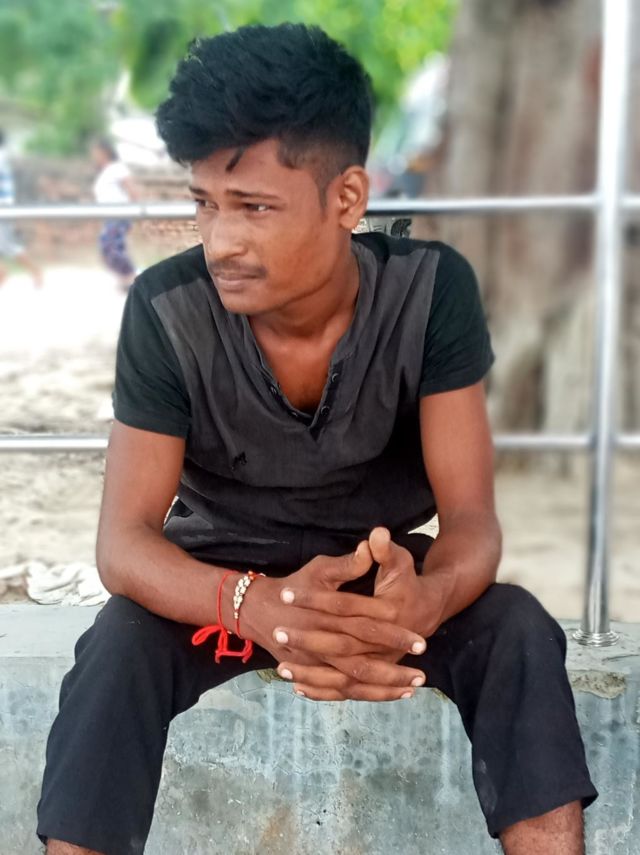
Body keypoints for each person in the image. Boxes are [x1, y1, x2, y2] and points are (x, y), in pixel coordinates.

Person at [37, 23, 597, 855]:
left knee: (517, 629)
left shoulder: (430, 291)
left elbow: (472, 520)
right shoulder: (166, 310)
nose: (221, 240)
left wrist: (427, 599)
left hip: (382, 586)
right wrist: (256, 605)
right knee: (116, 647)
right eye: (205, 203)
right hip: (225, 584)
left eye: (254, 207)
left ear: (348, 198)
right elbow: (123, 544)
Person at [91, 138, 137, 291]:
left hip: (120, 215)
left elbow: (132, 191)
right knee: (105, 249)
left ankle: (131, 277)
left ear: (104, 152)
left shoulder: (118, 168)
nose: (94, 156)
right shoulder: (104, 172)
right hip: (109, 217)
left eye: (96, 152)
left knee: (113, 249)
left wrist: (132, 215)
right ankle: (124, 278)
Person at [0, 129, 42, 288]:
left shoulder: (1, 157)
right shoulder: (3, 156)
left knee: (8, 245)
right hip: (5, 206)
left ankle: (34, 270)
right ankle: (3, 273)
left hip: (3, 207)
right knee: (6, 244)